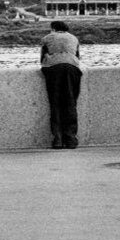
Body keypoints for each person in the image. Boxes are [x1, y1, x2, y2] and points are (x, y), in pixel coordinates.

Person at [40, 21, 82, 149]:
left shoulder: (47, 38)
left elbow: (42, 58)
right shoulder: (74, 38)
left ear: (53, 29)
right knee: (70, 102)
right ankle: (71, 139)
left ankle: (57, 140)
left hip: (53, 70)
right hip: (72, 69)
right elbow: (78, 57)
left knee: (56, 103)